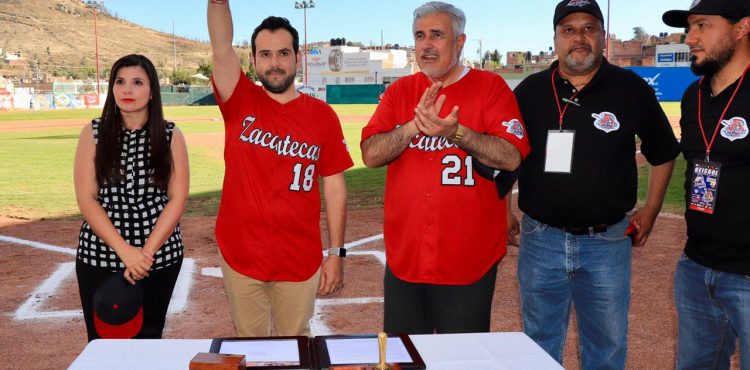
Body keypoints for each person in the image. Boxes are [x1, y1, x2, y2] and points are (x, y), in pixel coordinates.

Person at [506, 0, 681, 367]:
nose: (579, 37)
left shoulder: (630, 88)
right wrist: (503, 210)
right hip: (541, 239)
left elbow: (664, 151)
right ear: (555, 38)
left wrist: (651, 208)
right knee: (538, 344)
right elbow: (508, 157)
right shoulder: (530, 91)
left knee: (607, 345)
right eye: (568, 30)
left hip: (608, 242)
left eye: (588, 28)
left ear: (603, 36)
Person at [361, 1, 530, 334]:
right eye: (419, 36)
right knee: (404, 356)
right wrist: (412, 128)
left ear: (460, 42)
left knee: (461, 359)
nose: (426, 44)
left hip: (469, 260)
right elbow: (370, 154)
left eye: (436, 35)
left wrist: (455, 132)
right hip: (406, 258)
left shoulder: (490, 87)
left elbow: (511, 155)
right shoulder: (400, 91)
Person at [208, 0, 353, 337]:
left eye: (283, 53)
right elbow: (220, 46)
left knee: (296, 346)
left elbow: (334, 186)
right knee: (251, 347)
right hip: (241, 253)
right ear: (254, 60)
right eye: (266, 54)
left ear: (297, 58)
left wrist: (336, 253)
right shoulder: (238, 99)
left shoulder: (322, 116)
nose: (275, 63)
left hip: (299, 258)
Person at [73, 54, 190, 342]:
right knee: (102, 344)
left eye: (137, 82)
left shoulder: (170, 134)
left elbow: (177, 198)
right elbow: (87, 199)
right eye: (120, 82)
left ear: (152, 91)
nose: (127, 90)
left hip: (159, 260)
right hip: (99, 258)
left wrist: (145, 255)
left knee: (148, 341)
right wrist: (125, 251)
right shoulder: (94, 132)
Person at [663, 1, 750, 368]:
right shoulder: (692, 96)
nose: (690, 38)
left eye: (702, 26)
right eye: (689, 29)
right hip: (696, 268)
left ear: (742, 27)